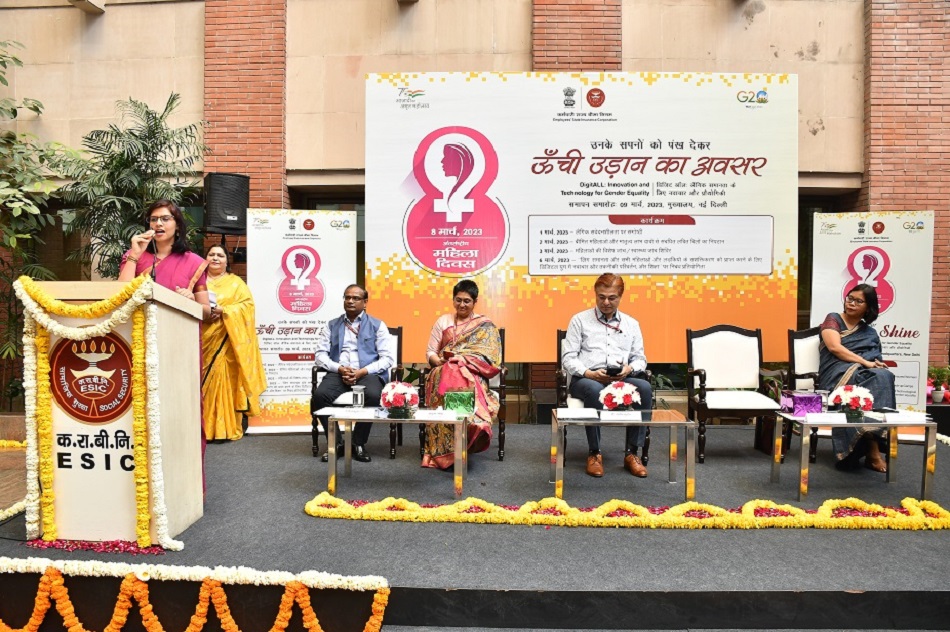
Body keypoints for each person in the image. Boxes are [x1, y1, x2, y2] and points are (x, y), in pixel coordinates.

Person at [561, 273, 653, 478]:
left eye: (612, 298)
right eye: (601, 297)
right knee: (594, 389)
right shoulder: (579, 320)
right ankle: (594, 453)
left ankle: (632, 453)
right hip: (586, 379)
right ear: (595, 294)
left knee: (645, 388)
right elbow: (568, 358)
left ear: (620, 296)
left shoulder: (631, 324)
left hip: (620, 379)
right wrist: (589, 373)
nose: (606, 302)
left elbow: (640, 358)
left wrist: (629, 369)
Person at [423, 279, 502, 469]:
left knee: (461, 372)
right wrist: (438, 361)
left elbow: (492, 357)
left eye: (467, 301)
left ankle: (473, 424)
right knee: (450, 371)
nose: (462, 305)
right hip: (443, 371)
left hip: (472, 373)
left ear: (475, 302)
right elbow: (431, 351)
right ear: (453, 300)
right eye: (458, 300)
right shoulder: (443, 321)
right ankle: (447, 451)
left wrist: (464, 359)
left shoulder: (485, 325)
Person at [312, 284, 396, 462]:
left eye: (356, 298)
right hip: (339, 372)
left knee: (374, 395)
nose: (350, 301)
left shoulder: (377, 325)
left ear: (365, 302)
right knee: (319, 396)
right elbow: (320, 355)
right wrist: (339, 368)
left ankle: (358, 442)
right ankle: (336, 443)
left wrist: (362, 372)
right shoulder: (331, 325)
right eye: (347, 297)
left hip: (367, 372)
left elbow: (387, 359)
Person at [818, 283, 895, 473]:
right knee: (870, 382)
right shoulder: (833, 319)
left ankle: (869, 442)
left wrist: (874, 364)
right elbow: (834, 348)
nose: (851, 303)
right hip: (836, 373)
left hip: (864, 374)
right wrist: (865, 362)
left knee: (883, 376)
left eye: (858, 301)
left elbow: (875, 358)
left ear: (868, 308)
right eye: (850, 298)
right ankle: (873, 451)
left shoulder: (870, 332)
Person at [201, 245, 267, 441]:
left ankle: (225, 429)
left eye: (220, 255)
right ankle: (202, 429)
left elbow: (247, 307)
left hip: (227, 340)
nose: (215, 258)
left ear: (226, 261)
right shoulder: (197, 281)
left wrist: (224, 311)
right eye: (211, 254)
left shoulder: (236, 283)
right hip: (202, 337)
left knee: (224, 382)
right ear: (205, 258)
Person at [118, 199, 217, 322]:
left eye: (165, 219)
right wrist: (134, 255)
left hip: (177, 327)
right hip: (138, 326)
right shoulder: (133, 255)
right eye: (153, 219)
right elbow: (120, 295)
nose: (158, 223)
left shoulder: (194, 262)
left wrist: (192, 302)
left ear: (178, 225)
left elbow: (206, 312)